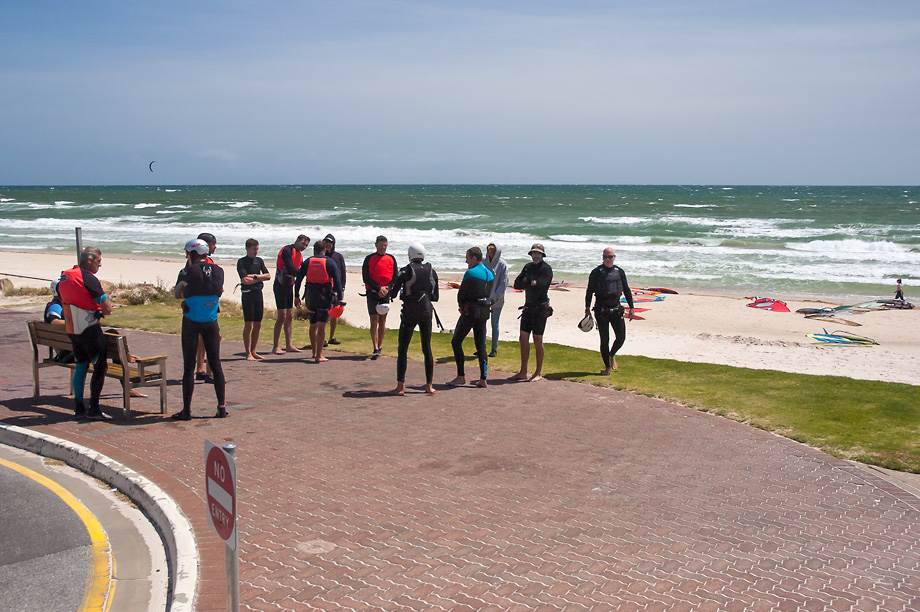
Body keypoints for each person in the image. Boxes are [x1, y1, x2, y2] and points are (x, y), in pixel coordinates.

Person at [172, 239, 227, 420]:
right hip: (211, 321)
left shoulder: (187, 271)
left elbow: (177, 293)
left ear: (192, 254)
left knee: (189, 367)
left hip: (191, 321)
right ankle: (221, 407)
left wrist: (185, 294)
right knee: (216, 364)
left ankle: (187, 411)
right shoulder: (219, 270)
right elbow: (219, 291)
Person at [57, 246, 113, 419]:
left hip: (73, 330)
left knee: (81, 365)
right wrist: (106, 302)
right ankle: (94, 409)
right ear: (90, 260)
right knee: (100, 367)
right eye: (99, 261)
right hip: (89, 329)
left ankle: (79, 407)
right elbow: (107, 308)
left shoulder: (64, 277)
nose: (100, 265)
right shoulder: (88, 278)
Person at [388, 243, 439, 395]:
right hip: (427, 312)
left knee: (403, 348)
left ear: (410, 255)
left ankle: (400, 386)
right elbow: (435, 296)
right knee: (427, 348)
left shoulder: (406, 270)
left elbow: (393, 292)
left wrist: (388, 292)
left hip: (410, 312)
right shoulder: (432, 271)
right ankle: (429, 385)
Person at [447, 246, 494, 389]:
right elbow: (488, 294)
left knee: (456, 341)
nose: (466, 261)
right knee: (481, 345)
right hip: (484, 312)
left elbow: (462, 294)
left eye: (467, 258)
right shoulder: (490, 273)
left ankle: (461, 376)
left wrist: (462, 307)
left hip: (471, 312)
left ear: (474, 258)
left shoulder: (470, 273)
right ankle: (483, 378)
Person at [585, 247, 635, 375]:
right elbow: (589, 291)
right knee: (604, 340)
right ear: (602, 258)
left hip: (616, 310)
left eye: (610, 257)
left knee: (621, 338)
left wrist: (631, 307)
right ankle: (607, 367)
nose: (608, 259)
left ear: (614, 257)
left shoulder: (619, 272)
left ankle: (611, 355)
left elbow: (627, 290)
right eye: (605, 257)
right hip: (601, 311)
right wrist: (587, 308)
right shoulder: (596, 272)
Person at [511, 243, 553, 382]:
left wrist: (528, 281)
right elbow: (517, 284)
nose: (536, 255)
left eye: (538, 253)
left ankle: (538, 372)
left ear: (542, 255)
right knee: (523, 338)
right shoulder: (528, 267)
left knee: (537, 339)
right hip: (528, 307)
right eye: (534, 253)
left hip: (540, 309)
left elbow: (541, 286)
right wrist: (530, 282)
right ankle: (523, 371)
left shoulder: (546, 269)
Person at [296, 241, 343, 363]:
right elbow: (337, 282)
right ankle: (319, 355)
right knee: (321, 326)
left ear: (314, 249)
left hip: (311, 297)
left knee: (313, 325)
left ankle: (313, 353)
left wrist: (296, 295)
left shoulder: (308, 261)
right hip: (324, 297)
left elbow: (298, 279)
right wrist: (340, 299)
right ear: (325, 250)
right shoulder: (330, 262)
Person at [362, 235, 398, 359]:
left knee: (382, 321)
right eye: (381, 245)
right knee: (374, 320)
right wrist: (378, 288)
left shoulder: (391, 258)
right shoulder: (369, 258)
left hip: (385, 294)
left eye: (385, 245)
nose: (383, 247)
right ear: (376, 245)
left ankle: (380, 345)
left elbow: (395, 276)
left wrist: (387, 288)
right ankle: (375, 347)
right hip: (372, 293)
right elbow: (366, 277)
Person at [272, 235, 309, 354]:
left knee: (289, 316)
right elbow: (290, 267)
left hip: (289, 287)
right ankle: (275, 346)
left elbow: (298, 275)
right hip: (280, 286)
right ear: (297, 241)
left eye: (306, 245)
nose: (304, 247)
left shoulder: (299, 255)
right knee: (281, 316)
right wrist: (303, 274)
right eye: (303, 244)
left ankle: (289, 345)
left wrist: (297, 295)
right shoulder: (287, 250)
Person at [237, 238, 271, 361]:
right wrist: (260, 278)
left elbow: (268, 276)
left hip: (258, 294)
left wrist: (255, 276)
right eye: (253, 249)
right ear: (247, 249)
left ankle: (253, 350)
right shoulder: (241, 262)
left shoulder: (259, 260)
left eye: (257, 249)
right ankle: (248, 353)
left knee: (258, 324)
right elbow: (245, 280)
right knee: (248, 324)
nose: (256, 251)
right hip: (247, 294)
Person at [194, 233, 218, 381]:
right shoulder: (199, 263)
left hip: (207, 305)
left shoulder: (205, 261)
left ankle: (200, 369)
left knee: (202, 338)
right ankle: (209, 372)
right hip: (204, 306)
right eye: (213, 244)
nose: (215, 247)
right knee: (213, 337)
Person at [484, 242, 507, 358]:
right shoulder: (483, 262)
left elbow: (503, 284)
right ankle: (481, 348)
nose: (490, 253)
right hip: (484, 298)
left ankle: (494, 349)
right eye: (489, 251)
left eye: (492, 251)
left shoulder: (502, 265)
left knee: (494, 323)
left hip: (497, 300)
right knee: (481, 323)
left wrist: (494, 297)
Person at [323, 234, 346, 345]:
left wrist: (342, 288)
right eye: (326, 242)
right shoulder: (321, 256)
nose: (328, 244)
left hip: (337, 289)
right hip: (324, 288)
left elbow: (343, 272)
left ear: (333, 244)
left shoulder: (338, 256)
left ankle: (331, 337)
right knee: (325, 314)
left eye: (330, 242)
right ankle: (322, 338)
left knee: (335, 314)